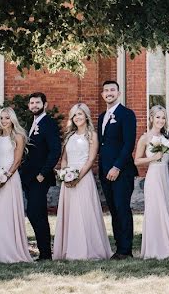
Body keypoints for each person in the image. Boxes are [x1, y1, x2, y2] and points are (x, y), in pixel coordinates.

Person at [53, 103, 112, 261]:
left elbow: (91, 159)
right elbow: (64, 158)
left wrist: (78, 177)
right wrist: (65, 174)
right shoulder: (69, 136)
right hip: (68, 180)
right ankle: (68, 249)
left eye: (80, 114)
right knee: (70, 213)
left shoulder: (92, 135)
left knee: (84, 212)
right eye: (74, 115)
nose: (77, 117)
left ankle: (87, 249)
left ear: (86, 115)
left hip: (83, 178)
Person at [134, 105, 169, 259]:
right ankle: (154, 248)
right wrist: (152, 158)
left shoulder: (167, 137)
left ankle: (168, 245)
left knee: (167, 208)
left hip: (166, 176)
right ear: (151, 118)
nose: (160, 120)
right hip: (154, 176)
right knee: (155, 209)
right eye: (158, 117)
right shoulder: (145, 137)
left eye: (163, 118)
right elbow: (136, 160)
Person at [0, 107, 33, 263]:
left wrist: (6, 176)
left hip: (10, 179)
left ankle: (11, 251)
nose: (4, 121)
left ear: (12, 119)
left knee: (8, 214)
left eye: (7, 118)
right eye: (1, 118)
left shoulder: (18, 137)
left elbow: (17, 160)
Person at [97, 80, 137, 259]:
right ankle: (118, 248)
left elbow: (129, 144)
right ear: (102, 94)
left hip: (121, 171)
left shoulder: (126, 114)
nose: (109, 93)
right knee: (113, 210)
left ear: (118, 93)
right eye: (106, 91)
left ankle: (126, 250)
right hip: (105, 171)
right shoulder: (101, 117)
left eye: (112, 90)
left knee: (122, 208)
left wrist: (117, 167)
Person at [19, 91, 61, 261]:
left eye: (37, 103)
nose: (34, 105)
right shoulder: (33, 122)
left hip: (39, 178)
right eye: (32, 103)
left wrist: (43, 173)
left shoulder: (48, 123)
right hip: (28, 178)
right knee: (34, 213)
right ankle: (44, 252)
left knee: (37, 213)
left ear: (45, 104)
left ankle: (45, 254)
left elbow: (55, 150)